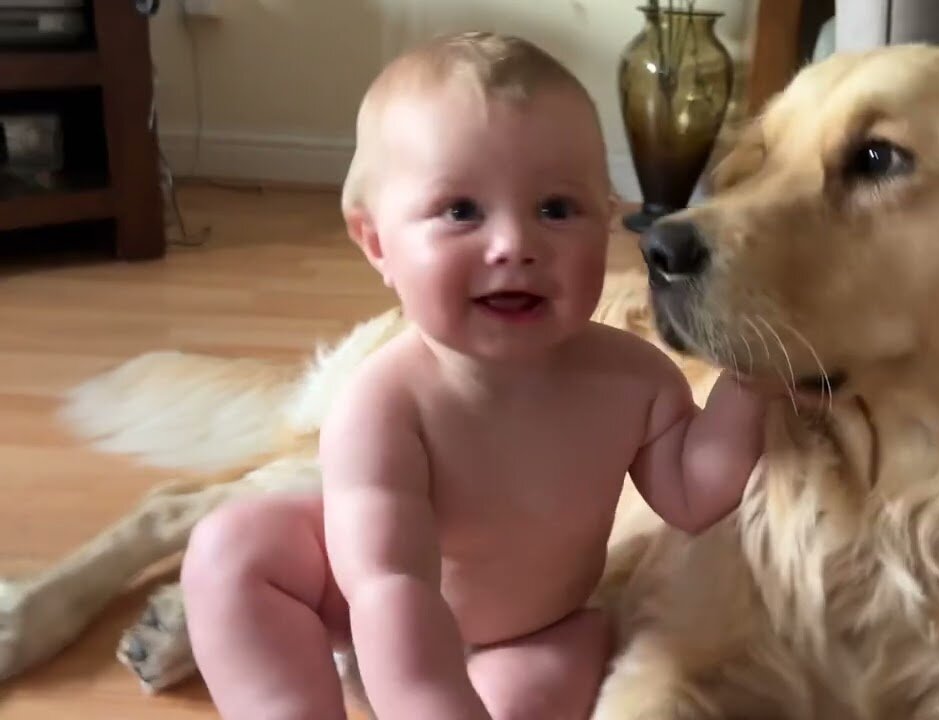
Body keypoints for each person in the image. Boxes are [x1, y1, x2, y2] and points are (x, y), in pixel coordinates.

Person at [180, 31, 768, 720]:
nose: (515, 245)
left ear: (608, 223)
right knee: (233, 550)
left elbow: (695, 494)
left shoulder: (633, 379)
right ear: (378, 244)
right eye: (461, 211)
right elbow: (388, 583)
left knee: (553, 679)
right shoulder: (386, 404)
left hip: (529, 629)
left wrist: (753, 378)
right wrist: (430, 702)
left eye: (556, 209)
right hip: (357, 599)